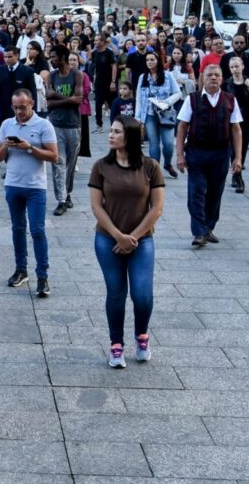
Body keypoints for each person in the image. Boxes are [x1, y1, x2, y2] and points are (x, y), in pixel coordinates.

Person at [88, 116, 165, 369]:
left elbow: (157, 208)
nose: (111, 135)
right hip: (107, 240)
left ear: (130, 136)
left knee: (142, 295)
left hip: (142, 241)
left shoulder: (150, 167)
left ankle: (141, 336)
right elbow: (96, 207)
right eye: (110, 131)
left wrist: (134, 237)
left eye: (116, 132)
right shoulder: (101, 167)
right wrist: (118, 235)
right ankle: (116, 345)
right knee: (116, 292)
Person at [0, 89, 59, 297]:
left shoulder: (43, 125)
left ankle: (42, 275)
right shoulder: (7, 124)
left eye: (23, 107)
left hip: (35, 187)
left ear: (32, 103)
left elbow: (53, 156)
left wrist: (29, 148)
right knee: (17, 228)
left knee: (37, 230)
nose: (19, 112)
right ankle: (20, 269)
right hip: (13, 184)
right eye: (15, 107)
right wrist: (6, 145)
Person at [176, 64, 244, 247]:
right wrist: (180, 155)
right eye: (210, 75)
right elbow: (182, 127)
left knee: (215, 193)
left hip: (221, 153)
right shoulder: (192, 99)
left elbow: (236, 130)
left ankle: (208, 227)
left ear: (222, 78)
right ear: (203, 78)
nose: (213, 78)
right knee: (196, 192)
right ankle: (198, 232)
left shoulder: (230, 100)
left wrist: (238, 158)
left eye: (217, 75)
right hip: (197, 152)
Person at [46, 44, 83, 216]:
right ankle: (60, 199)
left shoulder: (77, 75)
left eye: (53, 56)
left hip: (73, 124)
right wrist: (67, 99)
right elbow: (48, 100)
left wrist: (57, 97)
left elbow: (78, 100)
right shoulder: (51, 75)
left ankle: (67, 193)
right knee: (58, 162)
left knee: (70, 163)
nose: (51, 60)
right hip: (55, 124)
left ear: (62, 57)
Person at [135, 51, 182, 178]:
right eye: (147, 60)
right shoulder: (143, 77)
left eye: (152, 59)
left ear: (157, 61)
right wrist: (138, 117)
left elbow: (178, 93)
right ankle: (155, 171)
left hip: (165, 114)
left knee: (168, 143)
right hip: (149, 114)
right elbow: (139, 98)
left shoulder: (168, 76)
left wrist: (166, 102)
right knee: (153, 143)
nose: (149, 62)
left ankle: (167, 163)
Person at [0, 45, 37, 123]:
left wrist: (33, 110)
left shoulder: (27, 71)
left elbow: (32, 93)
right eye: (5, 57)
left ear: (17, 56)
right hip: (4, 110)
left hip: (22, 110)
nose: (7, 59)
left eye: (10, 57)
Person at [223, 56, 249, 193]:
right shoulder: (227, 84)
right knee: (233, 148)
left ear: (242, 66)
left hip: (246, 121)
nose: (234, 69)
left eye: (237, 66)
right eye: (232, 67)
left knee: (242, 148)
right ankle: (236, 175)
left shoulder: (248, 82)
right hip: (231, 121)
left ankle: (237, 173)